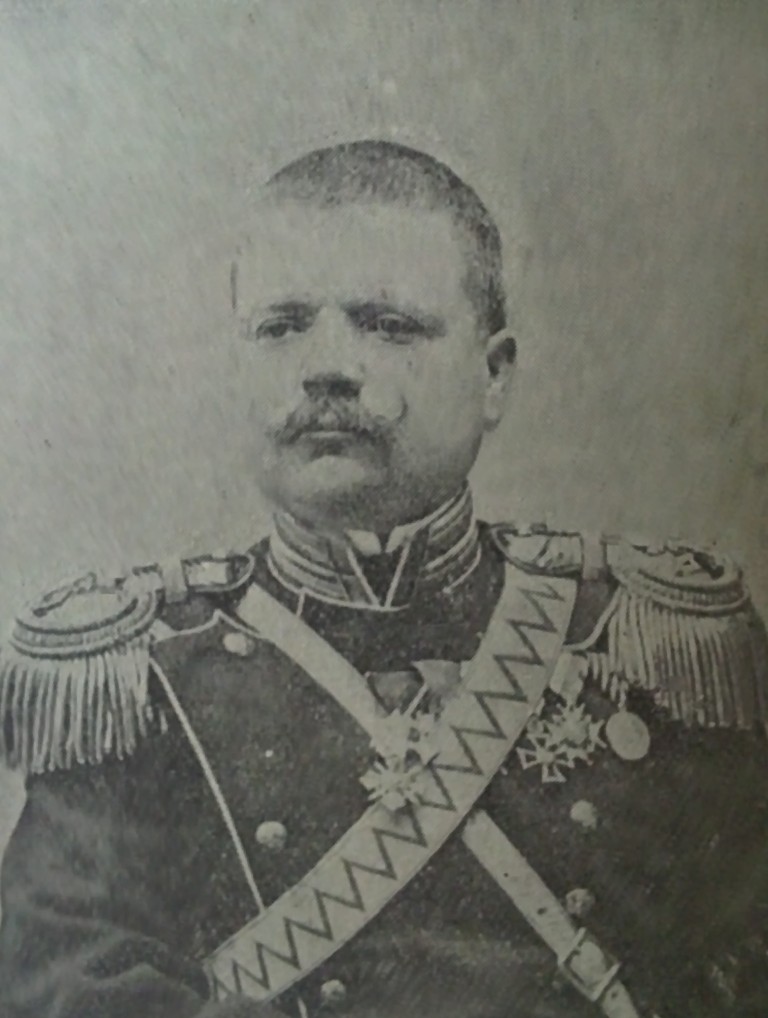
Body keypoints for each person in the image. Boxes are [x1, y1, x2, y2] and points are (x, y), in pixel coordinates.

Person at [0, 140, 767, 1018]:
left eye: (388, 324)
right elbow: (65, 982)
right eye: (282, 326)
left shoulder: (650, 645)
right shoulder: (150, 681)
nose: (326, 365)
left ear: (494, 375)